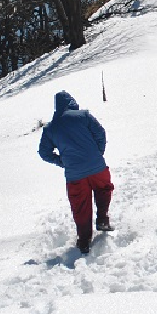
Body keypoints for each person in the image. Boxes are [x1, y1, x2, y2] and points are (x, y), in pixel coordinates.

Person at [38, 90, 115, 255]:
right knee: (103, 189)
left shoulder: (51, 128)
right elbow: (100, 133)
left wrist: (63, 162)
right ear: (72, 102)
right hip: (97, 167)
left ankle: (84, 239)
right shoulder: (84, 116)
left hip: (75, 175)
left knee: (80, 205)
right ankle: (102, 218)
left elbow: (44, 153)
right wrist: (97, 152)